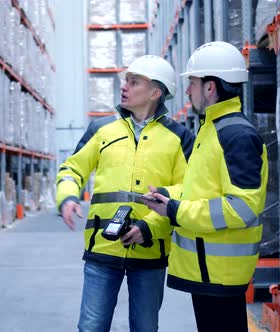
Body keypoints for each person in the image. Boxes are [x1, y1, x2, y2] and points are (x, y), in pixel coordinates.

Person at [56, 55, 194, 332]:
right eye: (125, 81)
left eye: (134, 82)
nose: (124, 87)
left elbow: (187, 191)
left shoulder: (179, 138)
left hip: (150, 249)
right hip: (102, 248)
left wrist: (149, 227)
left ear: (156, 92)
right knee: (91, 327)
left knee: (145, 327)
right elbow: (72, 169)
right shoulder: (102, 129)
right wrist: (68, 197)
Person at [143, 41, 268, 332]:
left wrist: (174, 210)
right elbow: (202, 190)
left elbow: (242, 207)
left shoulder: (235, 135)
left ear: (210, 87)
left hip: (219, 273)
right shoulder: (212, 129)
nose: (188, 91)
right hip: (208, 271)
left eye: (193, 83)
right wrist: (167, 195)